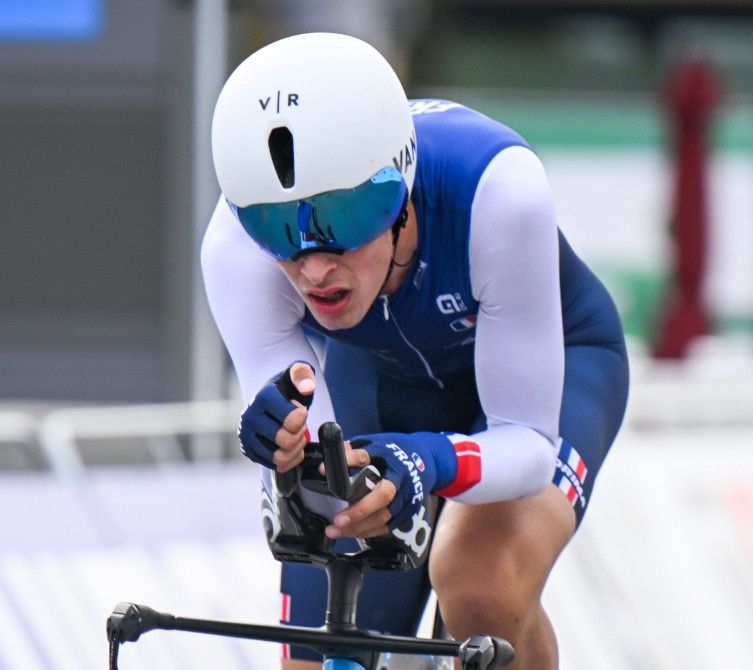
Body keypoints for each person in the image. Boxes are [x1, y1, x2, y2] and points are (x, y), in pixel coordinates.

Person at [202, 32, 629, 669]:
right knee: (319, 655)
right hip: (385, 379)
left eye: (344, 222)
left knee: (480, 582)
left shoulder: (498, 192)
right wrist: (285, 449)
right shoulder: (234, 252)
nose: (313, 269)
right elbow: (321, 481)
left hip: (555, 369)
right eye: (275, 229)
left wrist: (429, 461)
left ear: (400, 193)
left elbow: (528, 447)